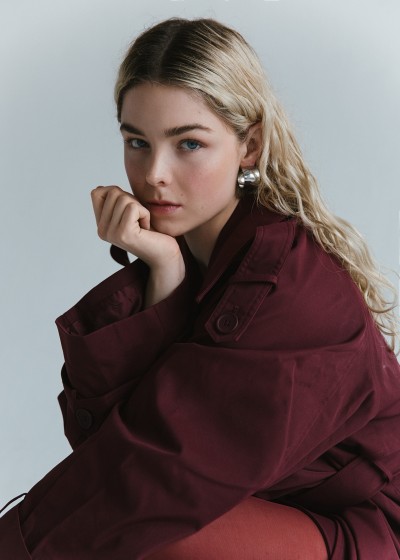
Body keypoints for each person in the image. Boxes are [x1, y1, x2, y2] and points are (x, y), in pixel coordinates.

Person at [0, 16, 399, 560]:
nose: (154, 173)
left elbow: (150, 476)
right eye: (137, 142)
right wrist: (164, 273)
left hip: (366, 524)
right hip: (274, 506)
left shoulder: (289, 285)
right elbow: (107, 443)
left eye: (188, 143)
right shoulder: (192, 256)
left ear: (250, 145)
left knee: (149, 531)